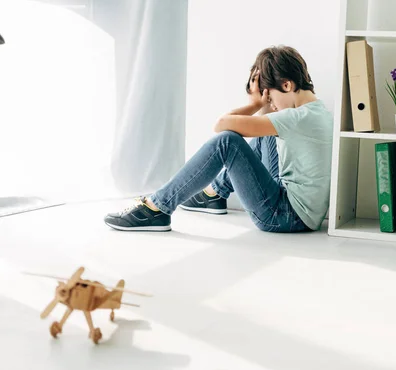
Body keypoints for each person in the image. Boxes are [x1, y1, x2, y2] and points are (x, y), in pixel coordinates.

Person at [104, 45, 333, 233]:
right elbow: (264, 127)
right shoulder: (316, 112)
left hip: (284, 216)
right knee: (266, 137)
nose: (270, 105)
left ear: (286, 85)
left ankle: (157, 208)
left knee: (227, 141)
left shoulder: (296, 118)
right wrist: (264, 107)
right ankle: (213, 195)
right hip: (298, 210)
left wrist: (255, 104)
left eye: (270, 98)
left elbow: (221, 125)